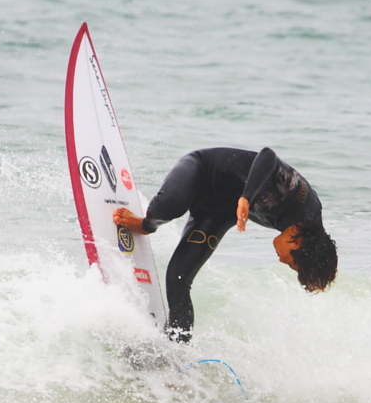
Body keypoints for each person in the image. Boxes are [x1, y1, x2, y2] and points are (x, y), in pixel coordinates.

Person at [113, 147, 337, 343]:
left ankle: (175, 350)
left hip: (218, 211)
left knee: (178, 278)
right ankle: (145, 225)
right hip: (202, 171)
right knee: (168, 207)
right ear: (297, 241)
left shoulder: (313, 234)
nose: (281, 260)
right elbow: (268, 156)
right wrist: (246, 197)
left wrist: (321, 275)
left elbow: (321, 255)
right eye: (289, 262)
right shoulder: (296, 196)